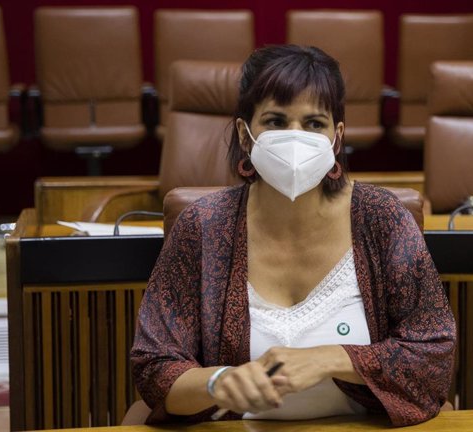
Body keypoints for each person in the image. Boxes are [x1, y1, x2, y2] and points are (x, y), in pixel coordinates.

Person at [130, 44, 456, 427]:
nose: (295, 137)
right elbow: (155, 366)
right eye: (276, 121)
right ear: (245, 133)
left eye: (314, 123)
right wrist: (219, 381)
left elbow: (433, 355)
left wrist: (333, 358)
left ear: (337, 137)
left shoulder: (382, 220)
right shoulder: (203, 227)